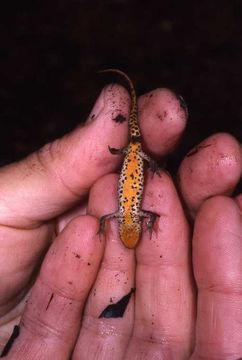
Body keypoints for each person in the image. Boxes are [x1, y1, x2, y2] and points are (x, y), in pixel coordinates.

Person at [0, 82, 241, 360]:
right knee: (134, 150)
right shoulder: (132, 214)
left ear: (134, 225)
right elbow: (115, 216)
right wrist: (121, 223)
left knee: (134, 149)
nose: (134, 230)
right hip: (133, 163)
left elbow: (108, 217)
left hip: (131, 162)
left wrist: (109, 225)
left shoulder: (125, 215)